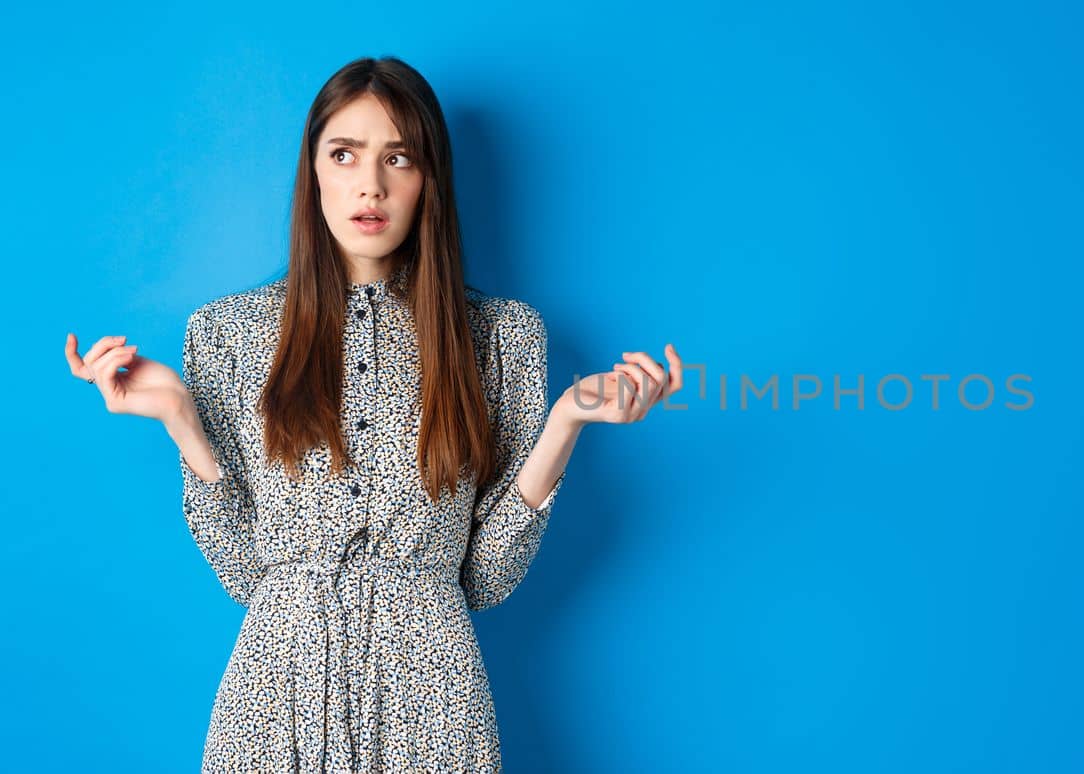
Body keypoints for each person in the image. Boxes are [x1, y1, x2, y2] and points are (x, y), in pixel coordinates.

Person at [61, 55, 681, 772]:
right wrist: (179, 417)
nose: (370, 184)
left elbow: (481, 579)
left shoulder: (503, 338)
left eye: (399, 157)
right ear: (314, 170)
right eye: (344, 154)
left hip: (435, 707)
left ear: (429, 181)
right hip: (274, 703)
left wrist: (566, 422)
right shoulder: (226, 335)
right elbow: (244, 575)